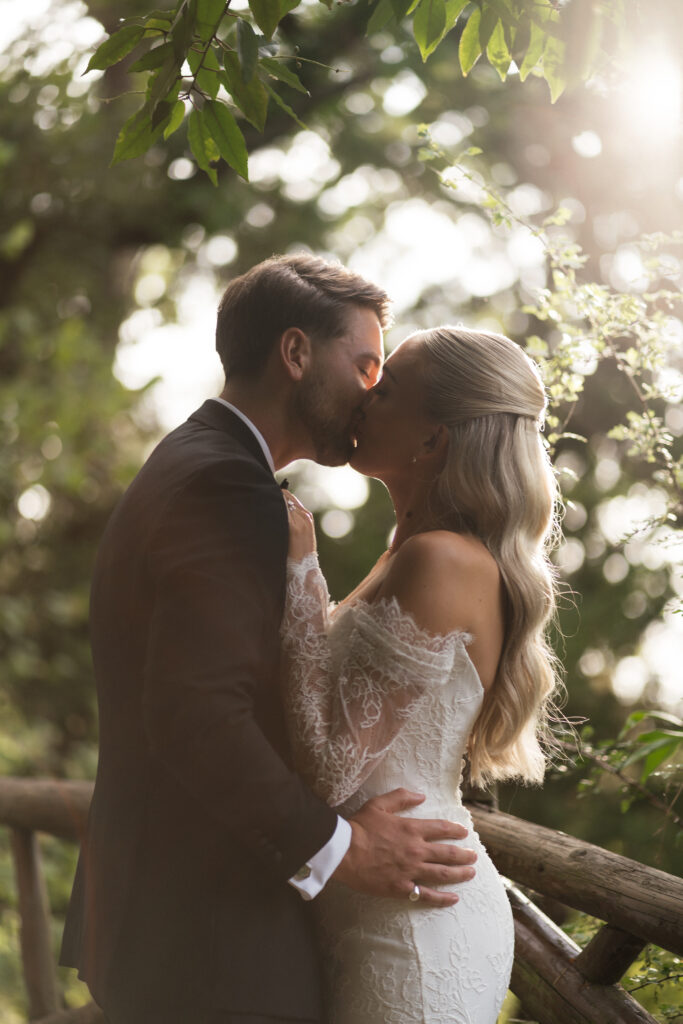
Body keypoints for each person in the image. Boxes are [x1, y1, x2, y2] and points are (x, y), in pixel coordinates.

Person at [59, 256, 479, 1024]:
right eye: (362, 365)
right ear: (294, 354)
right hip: (207, 934)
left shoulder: (199, 462)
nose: (368, 394)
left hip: (172, 914)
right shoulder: (226, 488)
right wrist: (346, 849)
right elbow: (196, 716)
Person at [280, 326, 562, 1023]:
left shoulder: (439, 561)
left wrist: (296, 572)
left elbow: (327, 769)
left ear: (433, 440)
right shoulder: (405, 553)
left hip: (410, 933)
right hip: (371, 904)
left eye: (389, 386)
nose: (364, 395)